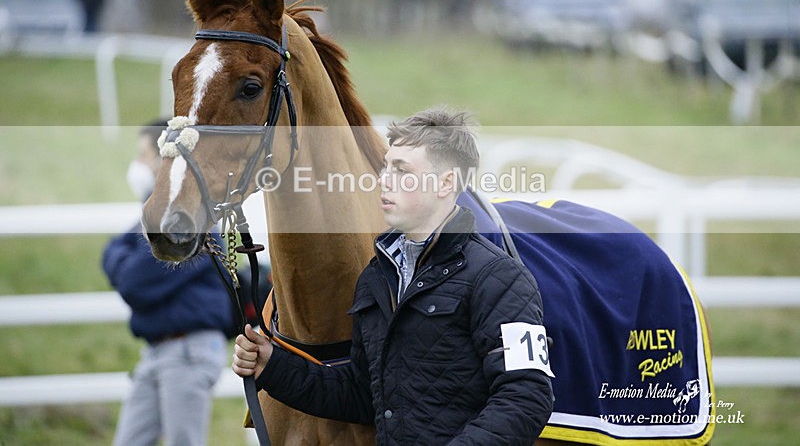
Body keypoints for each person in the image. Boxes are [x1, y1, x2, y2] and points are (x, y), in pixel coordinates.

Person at [233, 107, 554, 444]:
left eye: (401, 171)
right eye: (386, 166)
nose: (383, 179)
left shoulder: (499, 278)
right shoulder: (376, 278)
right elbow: (362, 394)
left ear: (446, 182)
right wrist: (273, 367)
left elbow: (526, 397)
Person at [102, 120, 235, 446]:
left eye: (144, 156)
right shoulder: (158, 214)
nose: (139, 166)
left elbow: (135, 282)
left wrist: (124, 264)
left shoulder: (189, 217)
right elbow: (111, 251)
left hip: (188, 352)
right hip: (159, 350)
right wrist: (125, 261)